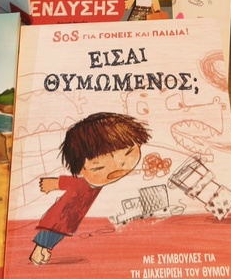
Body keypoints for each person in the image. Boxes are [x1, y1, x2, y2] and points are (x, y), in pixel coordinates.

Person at [30, 112, 150, 265]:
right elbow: (69, 183)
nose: (119, 166)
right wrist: (53, 184)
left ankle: (43, 250)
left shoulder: (98, 185)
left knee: (57, 233)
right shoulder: (83, 184)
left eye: (128, 153)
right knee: (52, 232)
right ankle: (38, 252)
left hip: (70, 217)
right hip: (62, 214)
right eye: (99, 167)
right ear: (81, 170)